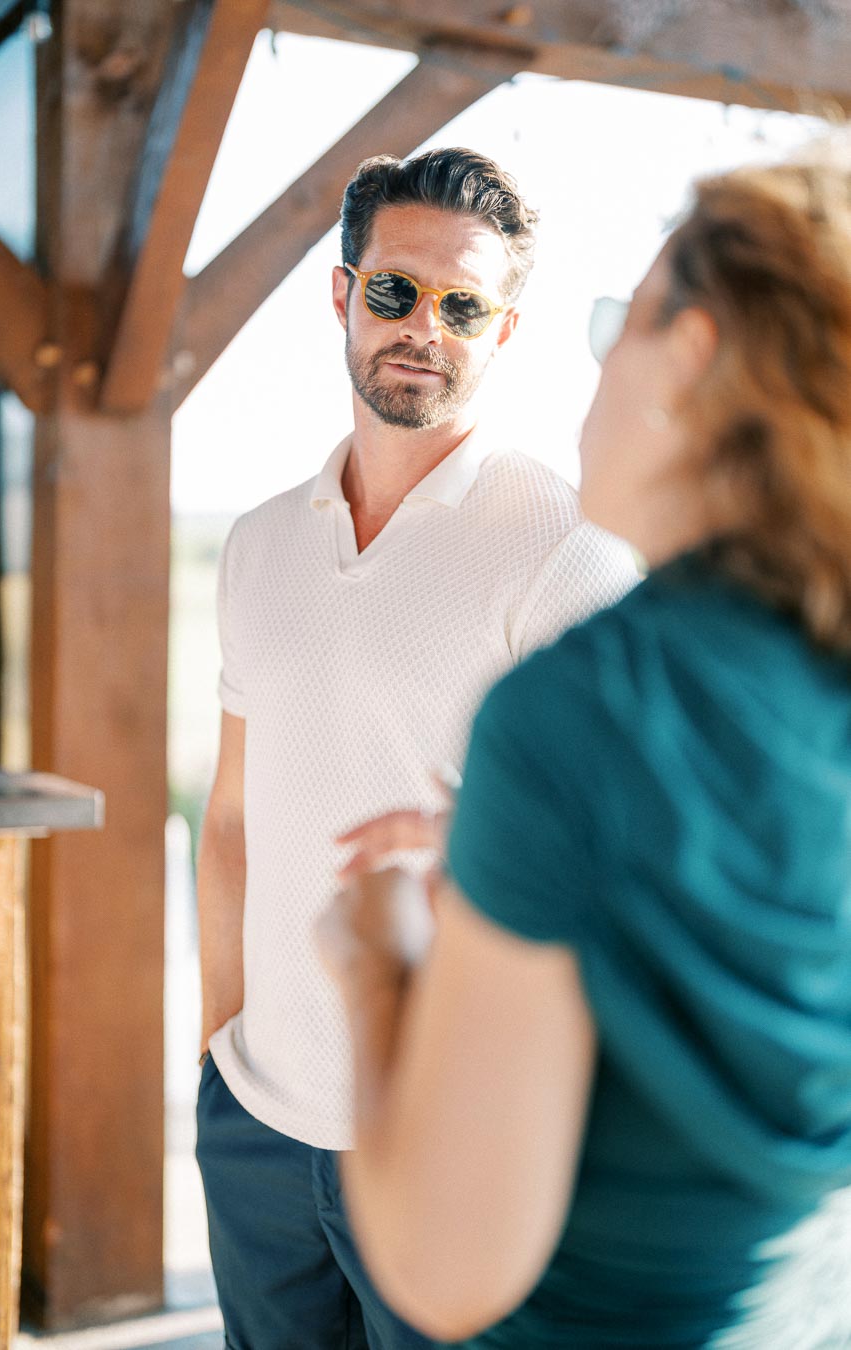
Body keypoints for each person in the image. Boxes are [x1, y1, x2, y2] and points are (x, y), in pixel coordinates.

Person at [318, 148, 851, 1348]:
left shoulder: (585, 710)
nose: (598, 360)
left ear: (695, 355)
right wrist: (507, 847)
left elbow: (444, 1275)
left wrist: (377, 961)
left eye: (622, 320)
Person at [195, 146, 637, 1350]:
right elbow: (232, 818)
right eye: (394, 291)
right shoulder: (258, 544)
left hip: (453, 1140)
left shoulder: (568, 553)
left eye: (463, 306)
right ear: (342, 296)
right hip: (256, 1130)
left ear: (504, 330)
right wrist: (221, 1044)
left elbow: (622, 862)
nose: (422, 328)